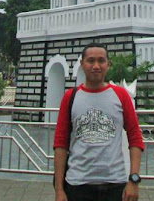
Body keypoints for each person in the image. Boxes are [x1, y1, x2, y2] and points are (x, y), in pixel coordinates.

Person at [53, 43, 144, 201]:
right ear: (82, 64)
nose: (96, 66)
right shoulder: (70, 97)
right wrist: (59, 190)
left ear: (108, 64)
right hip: (77, 185)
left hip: (115, 184)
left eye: (101, 60)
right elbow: (60, 143)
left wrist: (133, 180)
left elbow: (135, 137)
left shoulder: (120, 95)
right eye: (90, 61)